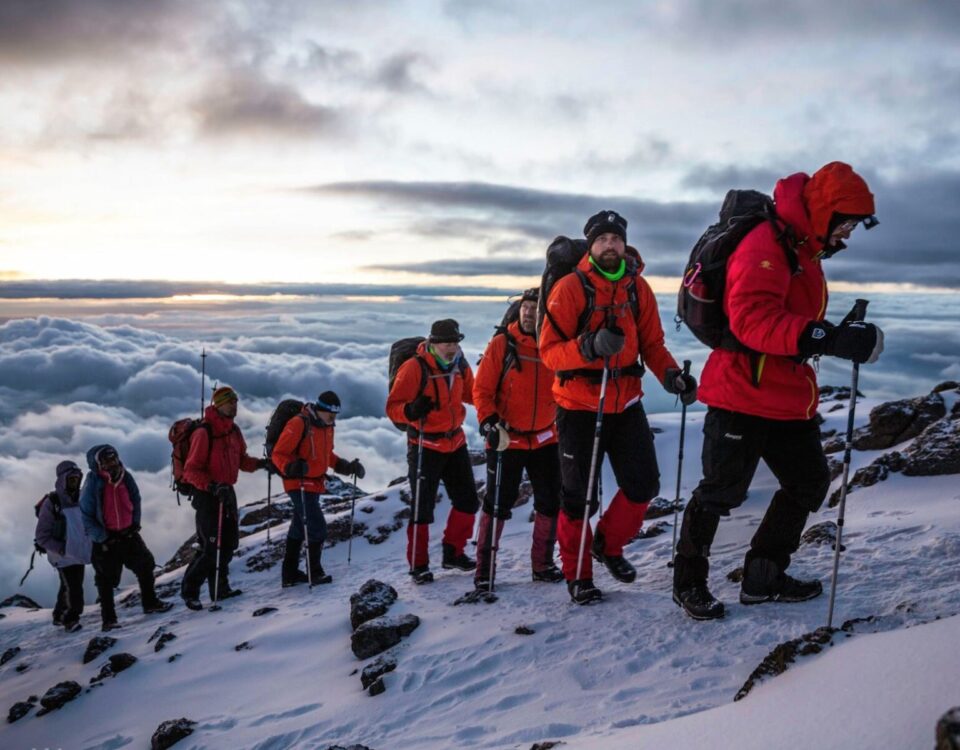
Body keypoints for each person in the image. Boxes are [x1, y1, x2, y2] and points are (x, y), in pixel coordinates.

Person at [672, 161, 884, 621]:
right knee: (720, 492)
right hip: (741, 392)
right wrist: (823, 338)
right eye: (844, 223)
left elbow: (790, 317)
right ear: (825, 212)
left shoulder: (801, 248)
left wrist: (834, 333)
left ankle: (763, 576)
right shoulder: (766, 244)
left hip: (787, 394)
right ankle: (687, 581)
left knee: (808, 482)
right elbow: (751, 320)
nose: (846, 235)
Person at [540, 210, 696, 604]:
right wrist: (589, 347)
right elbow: (549, 353)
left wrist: (672, 376)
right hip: (577, 406)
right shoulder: (571, 288)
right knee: (578, 498)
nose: (610, 245)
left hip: (626, 402)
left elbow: (653, 344)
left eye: (616, 238)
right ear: (591, 246)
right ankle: (579, 575)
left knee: (644, 484)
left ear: (625, 245)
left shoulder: (637, 288)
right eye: (602, 239)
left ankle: (608, 545)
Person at [473, 288, 564, 588]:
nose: (528, 312)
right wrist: (487, 421)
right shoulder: (503, 344)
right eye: (525, 307)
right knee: (497, 503)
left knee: (550, 502)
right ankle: (484, 571)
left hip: (545, 439)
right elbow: (482, 389)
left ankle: (542, 565)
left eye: (535, 308)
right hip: (505, 438)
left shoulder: (553, 346)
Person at [386, 319, 479, 583]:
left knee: (468, 501)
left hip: (455, 442)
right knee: (422, 508)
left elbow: (474, 394)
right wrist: (410, 411)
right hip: (424, 445)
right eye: (446, 343)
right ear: (433, 343)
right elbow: (392, 407)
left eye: (454, 342)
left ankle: (453, 553)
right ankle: (419, 565)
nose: (451, 348)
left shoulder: (460, 365)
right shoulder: (414, 368)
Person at [180, 386, 268, 610]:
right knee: (210, 548)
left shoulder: (233, 430)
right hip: (208, 495)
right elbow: (191, 470)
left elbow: (241, 460)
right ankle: (190, 592)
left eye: (236, 401)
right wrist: (212, 485)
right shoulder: (204, 432)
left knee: (228, 545)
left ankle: (221, 589)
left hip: (227, 492)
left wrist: (261, 464)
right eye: (229, 402)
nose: (234, 405)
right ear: (218, 405)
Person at [271, 390, 365, 588]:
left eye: (335, 415)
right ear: (320, 409)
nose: (333, 419)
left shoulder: (327, 426)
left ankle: (289, 575)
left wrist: (346, 467)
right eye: (330, 414)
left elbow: (326, 455)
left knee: (298, 528)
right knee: (317, 527)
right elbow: (279, 453)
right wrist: (291, 467)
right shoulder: (299, 423)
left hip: (315, 483)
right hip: (298, 483)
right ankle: (315, 573)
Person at [80, 444, 173, 630]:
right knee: (106, 580)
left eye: (113, 458)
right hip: (106, 540)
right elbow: (86, 515)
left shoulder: (124, 476)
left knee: (146, 565)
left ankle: (150, 603)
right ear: (98, 463)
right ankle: (109, 620)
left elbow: (136, 499)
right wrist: (101, 537)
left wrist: (135, 523)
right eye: (107, 460)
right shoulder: (93, 483)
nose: (112, 463)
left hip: (128, 534)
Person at [34, 460, 92, 632]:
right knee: (74, 589)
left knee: (69, 585)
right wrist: (62, 549)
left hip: (79, 552)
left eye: (77, 478)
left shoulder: (82, 498)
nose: (75, 482)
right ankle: (70, 619)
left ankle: (59, 615)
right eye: (71, 478)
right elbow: (42, 535)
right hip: (63, 555)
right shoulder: (52, 503)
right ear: (63, 479)